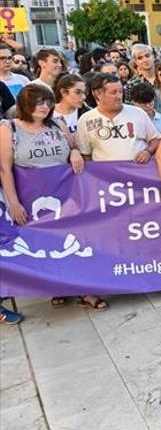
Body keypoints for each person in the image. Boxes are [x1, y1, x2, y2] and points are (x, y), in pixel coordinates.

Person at [0, 84, 93, 312]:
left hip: (64, 194)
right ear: (25, 104)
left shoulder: (57, 124)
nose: (44, 107)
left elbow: (74, 148)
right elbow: (4, 168)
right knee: (44, 243)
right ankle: (56, 286)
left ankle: (84, 288)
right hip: (30, 197)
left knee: (72, 239)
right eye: (39, 102)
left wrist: (73, 153)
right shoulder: (9, 128)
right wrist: (13, 202)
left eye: (48, 102)